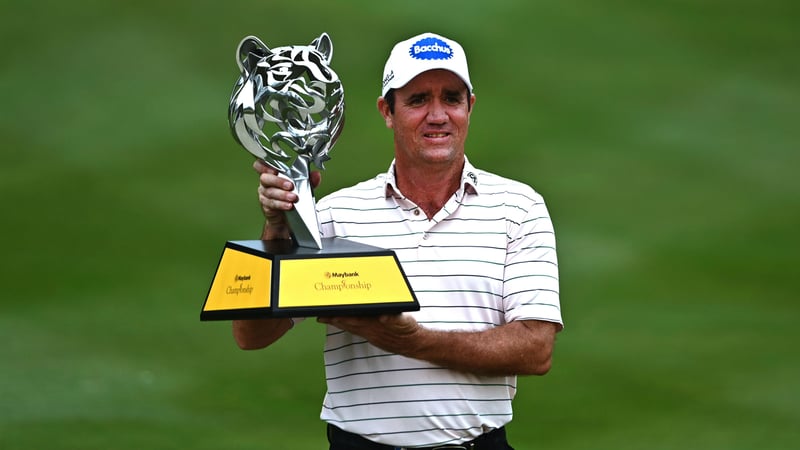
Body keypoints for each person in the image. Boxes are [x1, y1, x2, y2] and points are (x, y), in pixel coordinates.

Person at [233, 32, 563, 449]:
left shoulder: (519, 207)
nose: (438, 115)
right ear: (387, 111)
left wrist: (411, 341)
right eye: (418, 100)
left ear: (470, 107)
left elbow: (536, 349)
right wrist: (278, 231)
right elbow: (252, 334)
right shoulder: (335, 214)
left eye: (451, 98)